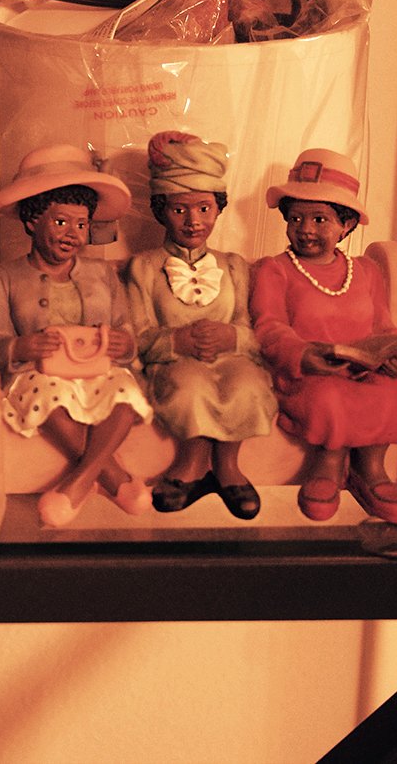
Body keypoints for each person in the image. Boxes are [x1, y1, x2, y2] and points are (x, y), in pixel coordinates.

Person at [0, 144, 151, 526]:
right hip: (41, 373)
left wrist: (124, 344)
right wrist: (22, 346)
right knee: (46, 396)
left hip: (99, 371)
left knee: (124, 392)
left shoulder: (103, 275)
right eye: (60, 222)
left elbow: (126, 329)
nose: (73, 234)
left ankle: (80, 479)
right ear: (31, 222)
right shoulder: (3, 278)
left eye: (81, 224)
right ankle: (112, 477)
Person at [249, 148, 397, 523]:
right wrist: (303, 354)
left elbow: (383, 325)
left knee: (394, 395)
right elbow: (268, 325)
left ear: (346, 226)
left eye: (320, 219)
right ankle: (328, 465)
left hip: (363, 369)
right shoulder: (273, 270)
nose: (306, 229)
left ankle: (371, 470)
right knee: (328, 397)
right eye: (296, 218)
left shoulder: (367, 271)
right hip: (309, 371)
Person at [121, 132, 275, 518]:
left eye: (204, 209)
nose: (193, 221)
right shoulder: (144, 267)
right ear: (160, 210)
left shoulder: (234, 265)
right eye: (180, 210)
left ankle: (228, 466)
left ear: (218, 209)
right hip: (175, 363)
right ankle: (190, 465)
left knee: (248, 384)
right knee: (189, 387)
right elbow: (134, 337)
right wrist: (177, 341)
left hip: (231, 358)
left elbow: (254, 330)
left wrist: (232, 337)